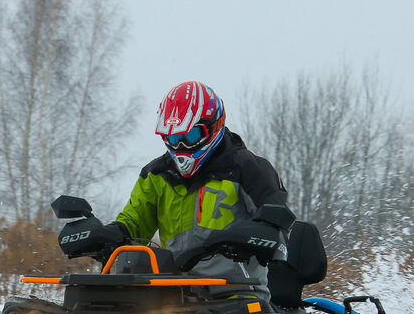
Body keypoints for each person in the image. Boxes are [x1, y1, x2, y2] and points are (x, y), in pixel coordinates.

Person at [110, 81, 290, 297]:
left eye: (190, 137)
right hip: (174, 296)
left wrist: (243, 237)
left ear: (215, 125)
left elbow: (277, 231)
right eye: (173, 138)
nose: (181, 147)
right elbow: (134, 223)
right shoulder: (155, 175)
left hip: (238, 294)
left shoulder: (249, 169)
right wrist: (108, 234)